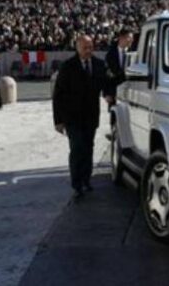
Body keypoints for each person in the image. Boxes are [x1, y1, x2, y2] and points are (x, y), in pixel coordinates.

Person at [53, 35, 111, 199]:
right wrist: (58, 121)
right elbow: (58, 95)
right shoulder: (68, 66)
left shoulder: (99, 65)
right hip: (72, 117)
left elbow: (106, 84)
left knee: (88, 148)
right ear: (77, 48)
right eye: (85, 47)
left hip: (91, 116)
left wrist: (108, 94)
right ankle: (76, 183)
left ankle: (86, 179)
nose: (88, 50)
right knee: (77, 148)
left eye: (90, 46)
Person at [105, 29, 133, 96]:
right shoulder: (110, 54)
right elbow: (107, 74)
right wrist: (107, 93)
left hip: (130, 92)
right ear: (121, 38)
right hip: (114, 92)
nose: (132, 40)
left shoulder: (134, 52)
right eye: (129, 37)